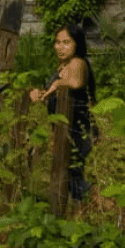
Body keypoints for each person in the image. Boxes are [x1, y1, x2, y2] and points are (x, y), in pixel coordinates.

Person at [29, 23, 97, 201]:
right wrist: (39, 92)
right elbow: (52, 91)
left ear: (77, 44)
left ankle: (90, 204)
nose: (61, 47)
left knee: (72, 171)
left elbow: (75, 83)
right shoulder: (62, 66)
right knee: (67, 172)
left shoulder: (78, 62)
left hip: (77, 129)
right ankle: (69, 207)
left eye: (66, 42)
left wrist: (58, 84)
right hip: (63, 128)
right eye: (58, 42)